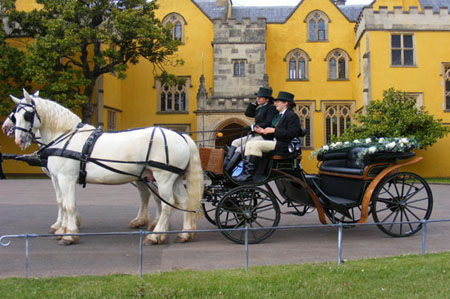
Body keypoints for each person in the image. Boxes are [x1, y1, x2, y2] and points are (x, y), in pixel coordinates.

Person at [233, 91, 301, 182]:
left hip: (284, 145)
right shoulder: (279, 116)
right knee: (250, 144)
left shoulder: (291, 115)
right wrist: (263, 131)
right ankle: (245, 173)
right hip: (276, 142)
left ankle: (250, 174)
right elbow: (273, 130)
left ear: (286, 103)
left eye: (278, 102)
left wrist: (274, 130)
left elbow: (293, 133)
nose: (275, 103)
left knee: (256, 145)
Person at [223, 87, 278, 172]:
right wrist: (255, 104)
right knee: (235, 142)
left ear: (267, 99)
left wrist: (253, 127)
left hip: (264, 136)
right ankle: (224, 165)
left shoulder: (271, 108)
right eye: (257, 97)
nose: (258, 99)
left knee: (240, 148)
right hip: (255, 135)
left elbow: (268, 123)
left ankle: (227, 170)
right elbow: (248, 113)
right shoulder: (260, 108)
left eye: (260, 97)